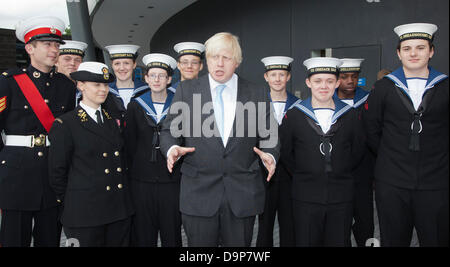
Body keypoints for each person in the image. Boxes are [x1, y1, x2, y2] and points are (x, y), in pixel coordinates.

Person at [160, 32, 280, 247]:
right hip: (198, 194)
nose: (219, 63)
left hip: (242, 194)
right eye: (214, 57)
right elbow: (169, 130)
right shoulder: (186, 91)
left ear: (237, 61)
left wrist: (270, 155)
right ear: (207, 61)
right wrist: (172, 150)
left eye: (226, 57)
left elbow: (270, 135)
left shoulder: (257, 92)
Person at [363, 23, 448, 247]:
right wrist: (392, 157)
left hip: (437, 183)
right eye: (407, 48)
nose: (413, 53)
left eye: (420, 48)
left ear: (431, 51)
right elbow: (371, 130)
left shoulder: (446, 86)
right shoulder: (383, 88)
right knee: (393, 240)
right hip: (392, 183)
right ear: (398, 53)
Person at [0, 16, 77, 247]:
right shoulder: (9, 82)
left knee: (49, 238)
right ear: (30, 48)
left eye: (56, 44)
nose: (54, 50)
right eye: (47, 44)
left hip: (51, 173)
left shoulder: (65, 86)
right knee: (14, 239)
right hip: (16, 174)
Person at [280, 57, 365, 246]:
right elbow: (286, 153)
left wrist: (339, 170)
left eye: (329, 81)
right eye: (318, 81)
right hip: (305, 196)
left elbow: (357, 150)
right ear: (308, 82)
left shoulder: (350, 115)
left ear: (337, 82)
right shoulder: (294, 115)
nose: (323, 86)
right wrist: (307, 172)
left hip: (341, 196)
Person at [48, 62, 134, 247]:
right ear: (81, 85)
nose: (103, 89)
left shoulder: (112, 121)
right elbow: (57, 173)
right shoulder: (66, 124)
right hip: (84, 213)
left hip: (117, 210)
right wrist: (73, 201)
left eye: (105, 85)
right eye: (96, 85)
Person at [125, 53, 182, 247]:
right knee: (143, 234)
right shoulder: (135, 106)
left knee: (172, 233)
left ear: (168, 79)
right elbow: (130, 144)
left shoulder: (180, 105)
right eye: (153, 75)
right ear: (146, 78)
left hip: (171, 180)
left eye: (162, 76)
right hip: (142, 181)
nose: (157, 79)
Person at [256, 56, 299, 247]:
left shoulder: (299, 106)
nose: (277, 79)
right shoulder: (256, 105)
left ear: (288, 77)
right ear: (266, 77)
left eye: (282, 74)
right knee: (264, 227)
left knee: (290, 225)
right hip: (264, 175)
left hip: (290, 176)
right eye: (273, 74)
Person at [335, 58, 375, 246]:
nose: (350, 81)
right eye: (344, 77)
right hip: (338, 173)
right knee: (339, 225)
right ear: (337, 79)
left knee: (365, 224)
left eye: (354, 76)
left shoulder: (370, 100)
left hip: (363, 172)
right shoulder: (328, 103)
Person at [102, 44, 149, 127]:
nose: (122, 68)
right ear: (112, 66)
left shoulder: (146, 91)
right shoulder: (104, 91)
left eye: (126, 63)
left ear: (134, 65)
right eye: (117, 64)